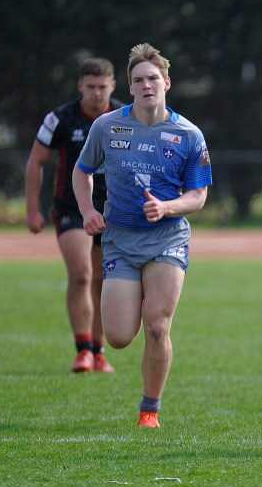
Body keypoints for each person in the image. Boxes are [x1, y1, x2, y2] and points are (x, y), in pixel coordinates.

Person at [72, 43, 212, 428]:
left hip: (167, 238)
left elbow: (198, 195)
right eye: (139, 80)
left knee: (157, 326)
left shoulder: (188, 134)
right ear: (130, 87)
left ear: (167, 82)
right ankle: (138, 297)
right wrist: (88, 211)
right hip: (120, 240)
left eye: (153, 78)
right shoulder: (107, 126)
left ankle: (149, 410)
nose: (146, 85)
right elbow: (82, 171)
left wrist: (167, 207)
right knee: (118, 336)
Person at [25, 58, 123, 374]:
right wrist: (32, 209)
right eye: (90, 87)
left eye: (102, 87)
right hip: (71, 207)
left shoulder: (126, 117)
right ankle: (83, 351)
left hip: (113, 209)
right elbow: (36, 161)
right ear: (80, 86)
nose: (96, 93)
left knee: (103, 279)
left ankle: (98, 351)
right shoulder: (61, 118)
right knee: (81, 275)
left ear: (112, 86)